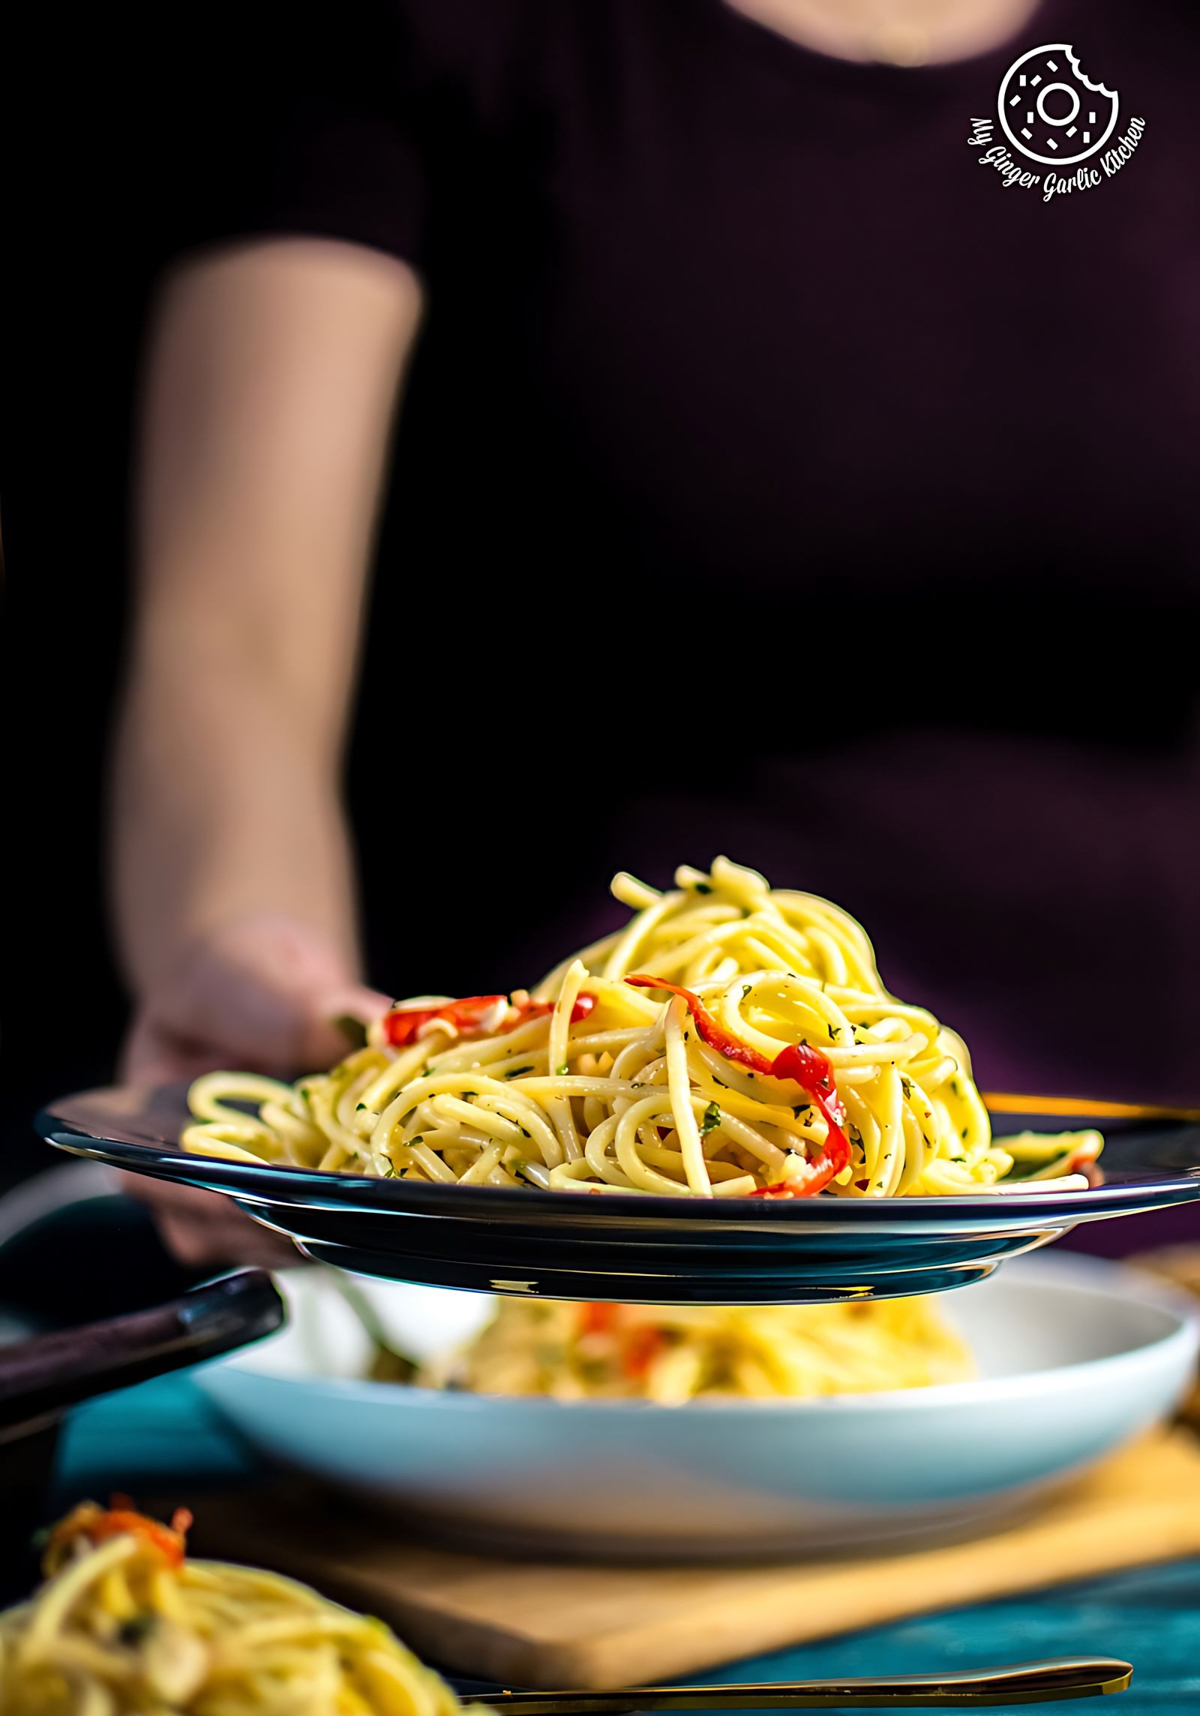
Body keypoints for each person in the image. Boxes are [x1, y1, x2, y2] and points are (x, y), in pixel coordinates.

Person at [114, 0, 1200, 1261]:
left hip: (1152, 1216)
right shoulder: (435, 33)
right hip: (537, 1220)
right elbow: (237, 643)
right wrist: (244, 950)